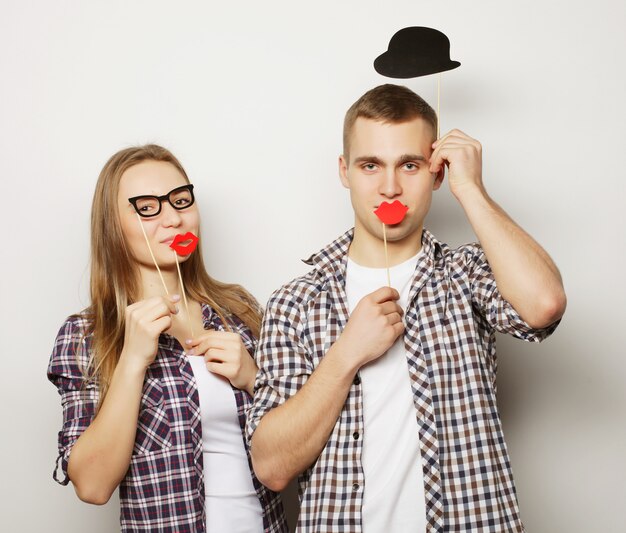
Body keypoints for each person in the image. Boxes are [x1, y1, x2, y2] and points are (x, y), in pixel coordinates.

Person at [246, 84, 567, 532]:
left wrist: (471, 189)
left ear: (436, 172)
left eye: (410, 165)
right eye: (370, 165)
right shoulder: (296, 302)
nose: (390, 187)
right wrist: (346, 354)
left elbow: (544, 305)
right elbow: (271, 465)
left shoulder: (467, 272)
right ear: (345, 171)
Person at [48, 145, 287, 533]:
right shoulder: (85, 336)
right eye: (147, 207)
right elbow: (92, 486)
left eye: (180, 200)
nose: (173, 219)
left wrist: (253, 378)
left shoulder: (240, 311)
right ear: (113, 225)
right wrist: (132, 361)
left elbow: (295, 450)